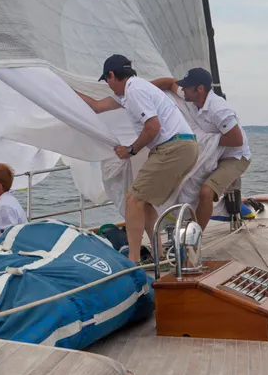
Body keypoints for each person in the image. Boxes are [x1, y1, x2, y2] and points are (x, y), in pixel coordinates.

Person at [74, 54, 199, 264]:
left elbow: (153, 126)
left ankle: (133, 262)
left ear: (112, 75)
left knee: (133, 199)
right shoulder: (131, 91)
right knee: (145, 201)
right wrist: (64, 90)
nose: (108, 85)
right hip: (182, 146)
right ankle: (158, 254)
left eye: (106, 80)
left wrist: (130, 150)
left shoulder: (134, 91)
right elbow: (96, 106)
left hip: (173, 147)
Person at [150, 68, 251, 229]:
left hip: (235, 157)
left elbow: (236, 140)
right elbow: (169, 83)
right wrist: (140, 91)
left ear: (200, 89)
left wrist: (205, 141)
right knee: (180, 181)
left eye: (187, 87)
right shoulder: (189, 95)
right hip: (213, 155)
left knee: (206, 191)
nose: (182, 90)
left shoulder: (219, 109)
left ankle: (195, 239)